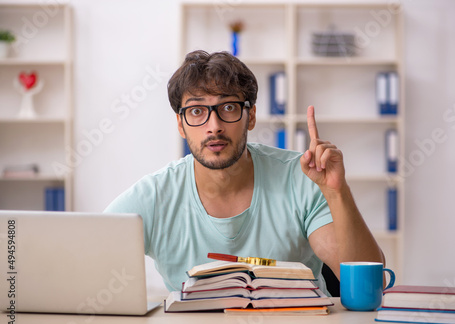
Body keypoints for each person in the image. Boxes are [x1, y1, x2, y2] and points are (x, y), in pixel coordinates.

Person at [105, 50, 385, 295]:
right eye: (197, 111)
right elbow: (86, 256)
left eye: (228, 107)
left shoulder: (302, 176)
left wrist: (337, 192)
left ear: (250, 117)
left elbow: (367, 285)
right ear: (181, 125)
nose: (213, 126)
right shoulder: (155, 194)